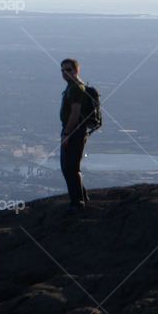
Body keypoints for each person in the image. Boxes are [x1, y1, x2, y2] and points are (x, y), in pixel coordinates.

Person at [59, 58, 90, 212]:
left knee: (69, 167)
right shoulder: (73, 86)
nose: (65, 73)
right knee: (71, 166)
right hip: (76, 131)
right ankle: (82, 197)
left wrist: (67, 133)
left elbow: (75, 113)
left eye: (69, 70)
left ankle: (77, 203)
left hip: (74, 131)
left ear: (77, 70)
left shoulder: (76, 88)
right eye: (63, 70)